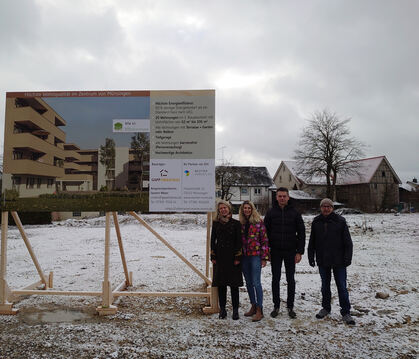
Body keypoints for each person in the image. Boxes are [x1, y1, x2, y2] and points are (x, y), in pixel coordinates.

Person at [308, 198, 355, 325]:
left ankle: (346, 312)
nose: (326, 208)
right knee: (325, 286)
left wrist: (347, 258)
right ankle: (326, 308)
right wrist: (311, 256)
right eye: (324, 206)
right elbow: (312, 241)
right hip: (323, 260)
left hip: (339, 261)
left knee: (341, 286)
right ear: (321, 208)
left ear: (332, 208)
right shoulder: (316, 221)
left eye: (329, 206)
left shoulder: (340, 221)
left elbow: (348, 242)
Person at [264, 187, 305, 319]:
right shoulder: (270, 213)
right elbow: (265, 234)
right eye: (280, 196)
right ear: (276, 197)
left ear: (288, 197)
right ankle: (276, 305)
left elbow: (302, 233)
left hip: (290, 251)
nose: (282, 198)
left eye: (284, 196)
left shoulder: (295, 213)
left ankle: (290, 306)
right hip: (275, 251)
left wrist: (300, 252)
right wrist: (266, 251)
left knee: (290, 279)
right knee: (275, 279)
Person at [211, 200, 243, 320]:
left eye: (225, 208)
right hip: (220, 257)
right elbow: (212, 240)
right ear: (219, 211)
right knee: (221, 285)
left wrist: (238, 257)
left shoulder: (236, 223)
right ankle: (223, 309)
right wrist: (213, 256)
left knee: (234, 285)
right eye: (221, 208)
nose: (223, 210)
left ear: (229, 209)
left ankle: (235, 310)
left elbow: (239, 242)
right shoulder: (216, 223)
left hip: (233, 258)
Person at [239, 201, 269, 322]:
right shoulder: (240, 223)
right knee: (248, 282)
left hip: (255, 256)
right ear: (242, 210)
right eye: (244, 208)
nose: (246, 210)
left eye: (248, 208)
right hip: (244, 256)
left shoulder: (258, 222)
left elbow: (264, 240)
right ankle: (253, 305)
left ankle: (259, 309)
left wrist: (264, 257)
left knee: (257, 282)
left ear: (252, 209)